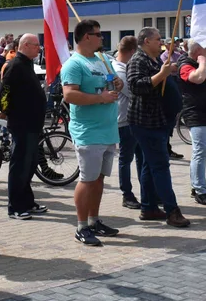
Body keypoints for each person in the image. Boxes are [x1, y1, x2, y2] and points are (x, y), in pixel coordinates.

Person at [60, 21, 122, 244]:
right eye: (98, 34)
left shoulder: (103, 60)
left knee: (99, 179)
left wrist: (117, 84)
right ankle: (81, 226)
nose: (102, 38)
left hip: (108, 129)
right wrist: (100, 98)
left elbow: (116, 88)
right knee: (87, 180)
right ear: (86, 37)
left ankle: (95, 220)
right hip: (88, 131)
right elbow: (69, 95)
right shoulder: (74, 64)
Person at [127, 28, 189, 227]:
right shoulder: (138, 60)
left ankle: (149, 207)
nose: (161, 43)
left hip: (158, 120)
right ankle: (172, 210)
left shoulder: (154, 60)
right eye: (157, 39)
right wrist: (161, 75)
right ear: (146, 41)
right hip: (146, 121)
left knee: (149, 165)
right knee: (160, 166)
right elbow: (136, 86)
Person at [0, 33, 47, 222]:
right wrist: (6, 111)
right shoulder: (15, 65)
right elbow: (4, 93)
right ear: (25, 45)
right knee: (20, 165)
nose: (39, 48)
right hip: (22, 124)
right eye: (36, 45)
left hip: (33, 123)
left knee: (31, 164)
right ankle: (15, 206)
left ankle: (27, 201)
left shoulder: (27, 64)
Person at [178, 41, 206, 205]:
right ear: (198, 51)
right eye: (205, 48)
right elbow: (198, 78)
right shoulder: (186, 65)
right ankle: (199, 190)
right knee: (200, 151)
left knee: (204, 152)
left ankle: (198, 185)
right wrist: (203, 61)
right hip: (196, 115)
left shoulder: (196, 63)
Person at [112, 35, 143, 209]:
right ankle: (127, 193)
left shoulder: (125, 67)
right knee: (126, 158)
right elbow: (133, 92)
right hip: (125, 120)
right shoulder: (119, 70)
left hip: (134, 119)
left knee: (141, 157)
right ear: (132, 51)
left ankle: (146, 190)